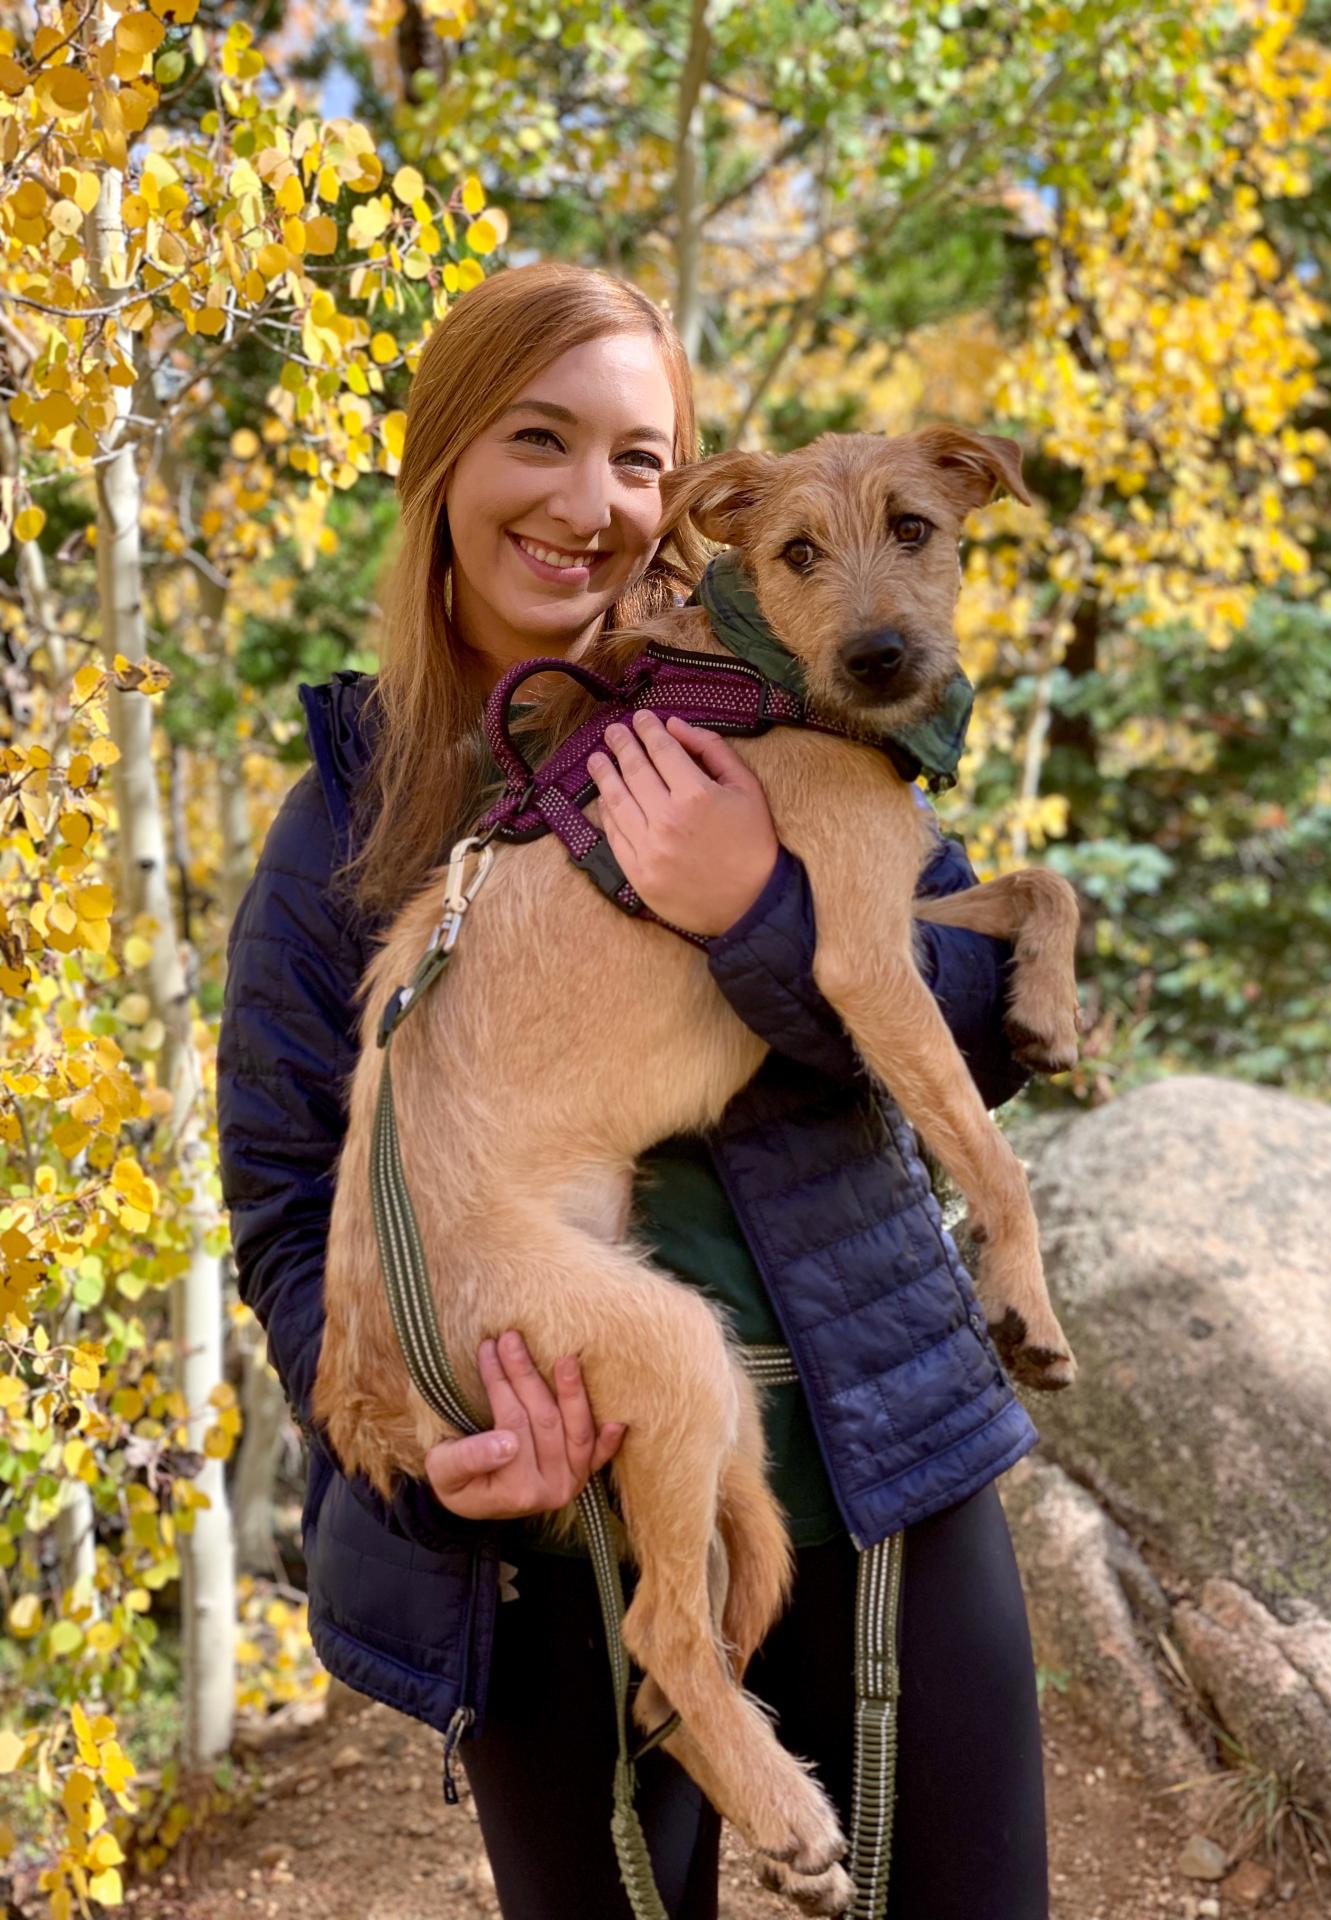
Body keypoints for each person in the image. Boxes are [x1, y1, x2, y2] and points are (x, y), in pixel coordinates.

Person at [217, 260, 1050, 1919]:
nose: (591, 502)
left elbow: (982, 1013)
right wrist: (426, 1453)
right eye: (540, 438)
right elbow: (293, 1213)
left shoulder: (759, 694)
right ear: (441, 461)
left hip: (878, 1438)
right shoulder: (336, 825)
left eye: (641, 459)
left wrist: (760, 913)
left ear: (689, 497)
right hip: (553, 1529)